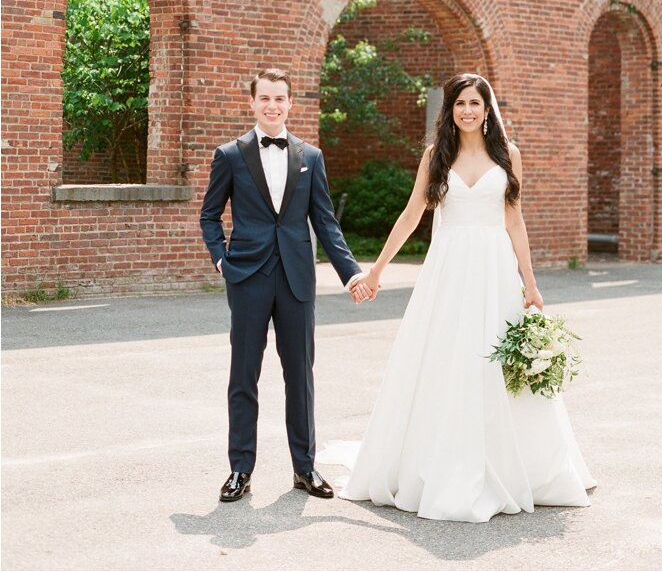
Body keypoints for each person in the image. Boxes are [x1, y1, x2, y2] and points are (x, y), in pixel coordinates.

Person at [338, 72, 595, 521]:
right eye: (460, 104)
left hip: (495, 270)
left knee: (498, 362)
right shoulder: (436, 156)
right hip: (449, 270)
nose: (468, 111)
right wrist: (375, 271)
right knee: (447, 358)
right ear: (450, 110)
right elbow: (412, 211)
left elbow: (515, 221)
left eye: (476, 103)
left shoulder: (508, 155)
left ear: (487, 108)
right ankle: (440, 462)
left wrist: (530, 284)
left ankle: (522, 466)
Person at [199, 66, 373, 503]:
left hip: (297, 279)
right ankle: (240, 469)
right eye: (265, 99)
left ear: (290, 104)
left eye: (280, 99)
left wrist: (351, 272)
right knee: (244, 375)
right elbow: (209, 214)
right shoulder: (231, 155)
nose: (272, 105)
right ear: (252, 103)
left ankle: (305, 467)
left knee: (300, 376)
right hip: (247, 277)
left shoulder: (310, 157)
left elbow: (326, 223)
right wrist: (222, 260)